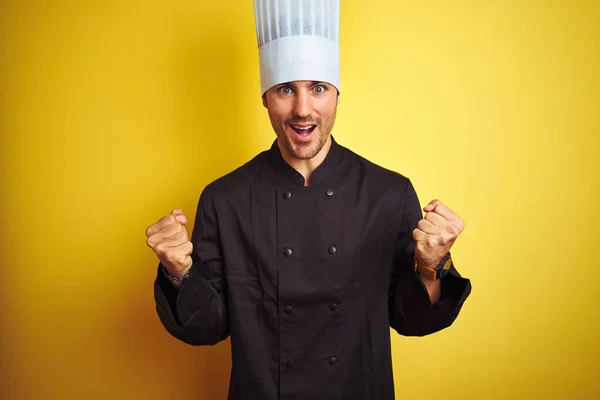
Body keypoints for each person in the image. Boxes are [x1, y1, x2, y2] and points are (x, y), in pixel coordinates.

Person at [146, 1, 471, 399]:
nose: (303, 110)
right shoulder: (224, 199)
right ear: (265, 97)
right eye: (286, 89)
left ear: (336, 95)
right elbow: (206, 329)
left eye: (317, 88)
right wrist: (178, 272)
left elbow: (413, 320)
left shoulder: (389, 193)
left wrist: (432, 266)